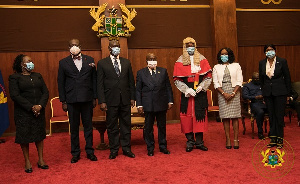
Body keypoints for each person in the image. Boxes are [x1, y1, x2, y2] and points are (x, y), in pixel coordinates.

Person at [57, 39, 97, 163]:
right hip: (71, 100)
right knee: (74, 128)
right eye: (72, 45)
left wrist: (95, 97)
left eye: (76, 45)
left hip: (87, 99)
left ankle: (90, 151)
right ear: (68, 47)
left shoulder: (89, 60)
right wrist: (63, 100)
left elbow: (94, 80)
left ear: (81, 46)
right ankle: (75, 153)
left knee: (88, 127)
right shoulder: (63, 62)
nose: (74, 47)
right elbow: (61, 82)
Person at [9, 54, 49, 173]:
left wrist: (40, 106)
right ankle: (27, 161)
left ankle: (41, 160)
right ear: (21, 64)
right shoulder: (14, 77)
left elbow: (45, 92)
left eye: (31, 61)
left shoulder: (38, 76)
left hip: (39, 111)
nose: (31, 63)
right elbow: (15, 95)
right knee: (24, 137)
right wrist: (31, 107)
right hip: (23, 112)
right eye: (28, 61)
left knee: (39, 135)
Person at [97, 40, 136, 159]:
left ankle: (126, 148)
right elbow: (100, 84)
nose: (116, 48)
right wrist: (102, 101)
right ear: (109, 48)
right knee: (112, 126)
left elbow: (130, 81)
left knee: (126, 125)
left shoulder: (126, 62)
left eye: (117, 46)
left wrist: (132, 97)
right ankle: (114, 149)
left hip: (125, 99)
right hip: (110, 100)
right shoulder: (102, 63)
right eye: (114, 46)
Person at [173, 37, 212, 152]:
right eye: (188, 45)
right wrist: (186, 90)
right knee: (187, 118)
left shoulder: (202, 59)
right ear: (184, 47)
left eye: (192, 45)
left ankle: (199, 142)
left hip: (200, 92)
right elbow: (177, 79)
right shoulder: (179, 61)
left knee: (200, 117)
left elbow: (208, 76)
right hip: (187, 94)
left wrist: (202, 86)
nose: (190, 47)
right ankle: (190, 142)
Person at [136, 53, 174, 156]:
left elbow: (168, 87)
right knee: (148, 128)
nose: (152, 61)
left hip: (161, 103)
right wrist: (139, 105)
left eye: (154, 59)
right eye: (150, 59)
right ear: (146, 61)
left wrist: (170, 101)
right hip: (148, 104)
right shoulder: (141, 73)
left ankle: (163, 146)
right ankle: (150, 147)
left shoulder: (163, 71)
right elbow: (138, 90)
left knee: (162, 126)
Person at [259, 44, 291, 149]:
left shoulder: (282, 61)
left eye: (271, 50)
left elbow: (287, 78)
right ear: (265, 52)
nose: (270, 52)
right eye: (267, 50)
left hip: (280, 92)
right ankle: (273, 139)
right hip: (268, 93)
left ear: (275, 51)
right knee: (271, 116)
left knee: (279, 116)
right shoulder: (262, 63)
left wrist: (288, 94)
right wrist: (263, 93)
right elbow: (261, 80)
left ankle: (280, 139)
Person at [212, 48, 243, 149]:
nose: (224, 56)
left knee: (234, 116)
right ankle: (228, 139)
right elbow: (215, 83)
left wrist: (233, 93)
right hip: (222, 93)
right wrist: (224, 93)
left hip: (235, 91)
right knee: (225, 117)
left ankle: (235, 139)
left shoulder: (236, 65)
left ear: (230, 55)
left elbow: (239, 81)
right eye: (222, 54)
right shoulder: (216, 67)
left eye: (226, 54)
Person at [242, 72, 267, 139]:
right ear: (252, 79)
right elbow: (244, 96)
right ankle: (260, 132)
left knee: (274, 110)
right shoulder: (247, 86)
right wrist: (255, 97)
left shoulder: (263, 84)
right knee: (260, 112)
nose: (257, 80)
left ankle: (273, 132)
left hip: (265, 102)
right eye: (256, 79)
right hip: (254, 103)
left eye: (258, 78)